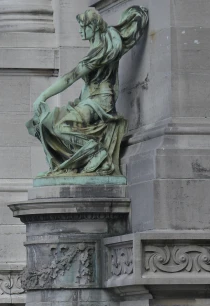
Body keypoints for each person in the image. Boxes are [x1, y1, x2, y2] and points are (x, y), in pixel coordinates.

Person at [27, 6, 149, 178]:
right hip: (88, 100)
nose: (80, 31)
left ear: (94, 27)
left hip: (99, 101)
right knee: (46, 124)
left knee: (60, 126)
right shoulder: (105, 44)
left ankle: (96, 153)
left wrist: (43, 96)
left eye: (84, 27)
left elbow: (69, 78)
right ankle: (77, 161)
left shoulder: (100, 53)